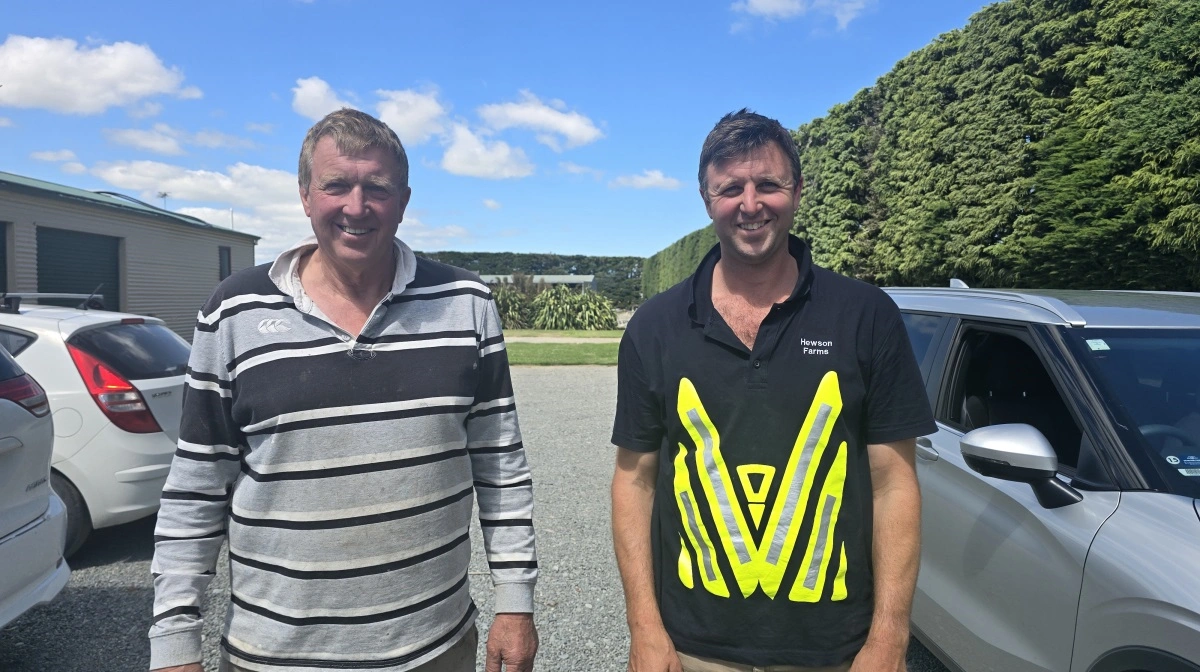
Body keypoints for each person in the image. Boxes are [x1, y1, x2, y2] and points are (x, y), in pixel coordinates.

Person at [148, 108, 539, 672]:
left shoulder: (466, 304)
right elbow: (196, 487)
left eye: (377, 188)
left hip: (434, 648)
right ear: (306, 195)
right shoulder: (234, 312)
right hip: (277, 655)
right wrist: (176, 641)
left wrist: (515, 604)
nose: (357, 207)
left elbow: (500, 465)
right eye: (337, 186)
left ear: (403, 200)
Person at [611, 109, 935, 672]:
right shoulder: (655, 327)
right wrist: (645, 629)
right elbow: (634, 483)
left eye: (769, 184)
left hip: (836, 647)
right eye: (730, 187)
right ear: (707, 199)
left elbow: (893, 484)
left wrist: (889, 637)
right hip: (694, 648)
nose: (751, 203)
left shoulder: (865, 316)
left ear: (799, 191)